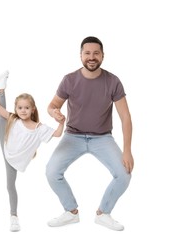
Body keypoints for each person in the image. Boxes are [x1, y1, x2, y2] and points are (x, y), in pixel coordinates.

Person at [45, 36, 134, 231]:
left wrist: (127, 150)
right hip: (73, 136)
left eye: (96, 53)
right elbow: (52, 105)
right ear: (81, 55)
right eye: (87, 53)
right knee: (52, 172)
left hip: (102, 137)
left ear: (102, 56)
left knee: (124, 174)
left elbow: (125, 117)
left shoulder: (113, 81)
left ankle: (103, 213)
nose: (91, 57)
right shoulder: (69, 80)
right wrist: (55, 113)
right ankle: (71, 212)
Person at [0, 71, 65, 232]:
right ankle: (14, 216)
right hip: (6, 144)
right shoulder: (14, 118)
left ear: (32, 109)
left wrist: (61, 121)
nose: (23, 110)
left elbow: (58, 134)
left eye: (26, 108)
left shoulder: (39, 128)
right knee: (2, 117)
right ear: (16, 108)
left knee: (10, 185)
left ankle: (0, 87)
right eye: (20, 108)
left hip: (14, 156)